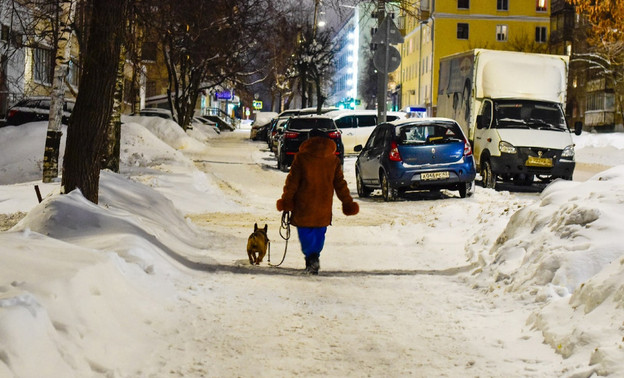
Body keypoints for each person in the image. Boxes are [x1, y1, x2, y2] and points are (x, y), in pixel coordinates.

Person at [276, 128, 359, 275]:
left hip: (303, 205)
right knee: (319, 233)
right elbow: (340, 184)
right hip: (323, 206)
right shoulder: (333, 160)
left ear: (308, 141)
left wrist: (286, 200)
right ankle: (315, 256)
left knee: (305, 232)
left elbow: (292, 183)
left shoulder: (301, 158)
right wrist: (347, 202)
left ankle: (311, 257)